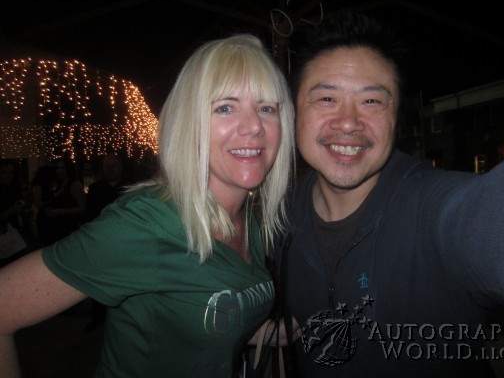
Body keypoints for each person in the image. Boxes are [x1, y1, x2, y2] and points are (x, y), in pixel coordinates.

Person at [0, 33, 296, 378]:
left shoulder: (249, 219)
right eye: (225, 108)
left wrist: (275, 332)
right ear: (189, 123)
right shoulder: (146, 223)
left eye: (266, 108)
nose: (254, 126)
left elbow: (202, 317)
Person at [275, 9, 504, 378]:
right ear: (293, 113)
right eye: (327, 99)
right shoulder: (280, 215)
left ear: (396, 118)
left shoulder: (432, 208)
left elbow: (501, 218)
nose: (348, 122)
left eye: (372, 101)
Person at [83, 153, 129, 331]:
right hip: (102, 240)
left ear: (121, 167)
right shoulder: (95, 188)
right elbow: (90, 214)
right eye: (107, 167)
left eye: (114, 166)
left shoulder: (130, 187)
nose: (111, 170)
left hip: (125, 241)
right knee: (99, 279)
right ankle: (99, 317)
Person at [37, 158, 86, 246]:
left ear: (68, 169)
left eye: (63, 168)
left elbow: (82, 208)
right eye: (58, 168)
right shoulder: (57, 185)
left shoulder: (75, 185)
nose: (60, 170)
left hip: (69, 227)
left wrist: (62, 211)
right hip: (56, 227)